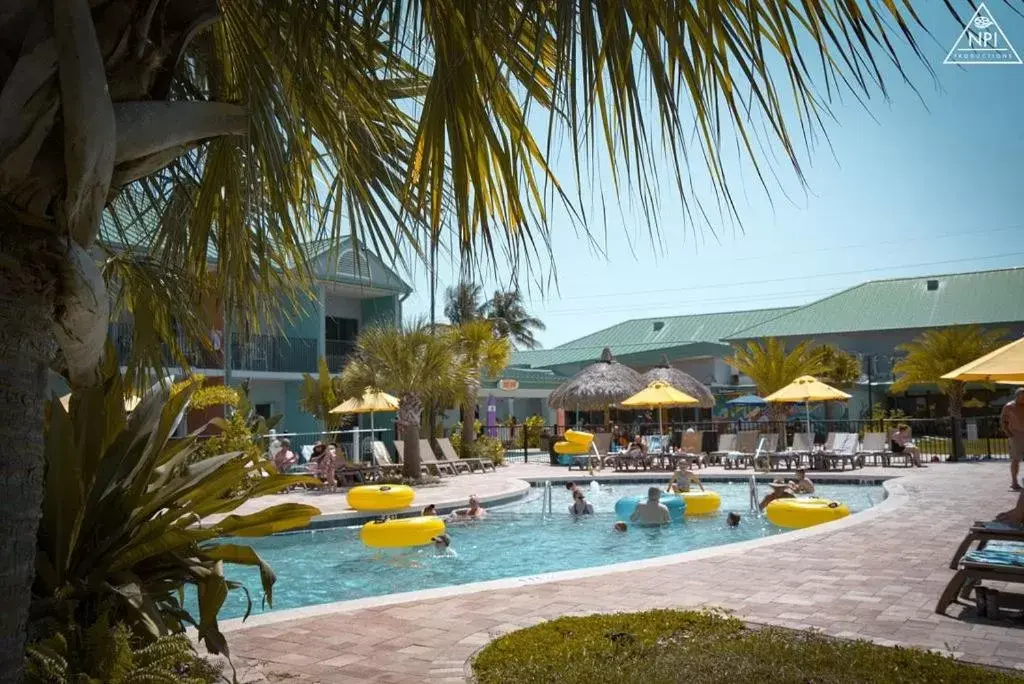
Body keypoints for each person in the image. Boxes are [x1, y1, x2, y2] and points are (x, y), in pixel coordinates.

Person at [1001, 387, 1024, 491]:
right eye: (1023, 397)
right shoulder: (1009, 407)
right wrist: (1009, 433)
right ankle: (1014, 482)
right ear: (1017, 396)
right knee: (1016, 459)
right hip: (1016, 435)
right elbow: (1003, 421)